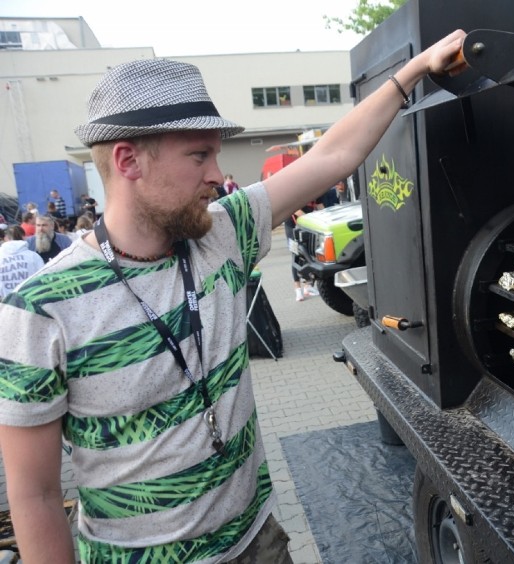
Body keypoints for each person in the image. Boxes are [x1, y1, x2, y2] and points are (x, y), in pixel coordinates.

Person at [0, 30, 465, 563]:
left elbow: (335, 153)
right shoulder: (39, 309)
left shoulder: (223, 232)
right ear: (128, 161)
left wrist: (411, 73)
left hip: (258, 543)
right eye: (199, 156)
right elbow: (34, 496)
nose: (219, 176)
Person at [284, 203, 321, 301]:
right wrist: (310, 218)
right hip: (293, 225)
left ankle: (307, 286)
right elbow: (294, 208)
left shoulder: (315, 191)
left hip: (306, 225)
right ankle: (297, 290)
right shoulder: (294, 190)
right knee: (295, 256)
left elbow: (320, 205)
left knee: (307, 255)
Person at [1, 225, 44, 299]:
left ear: (6, 238)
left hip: (6, 304)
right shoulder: (33, 256)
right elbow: (43, 278)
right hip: (32, 302)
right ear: (24, 237)